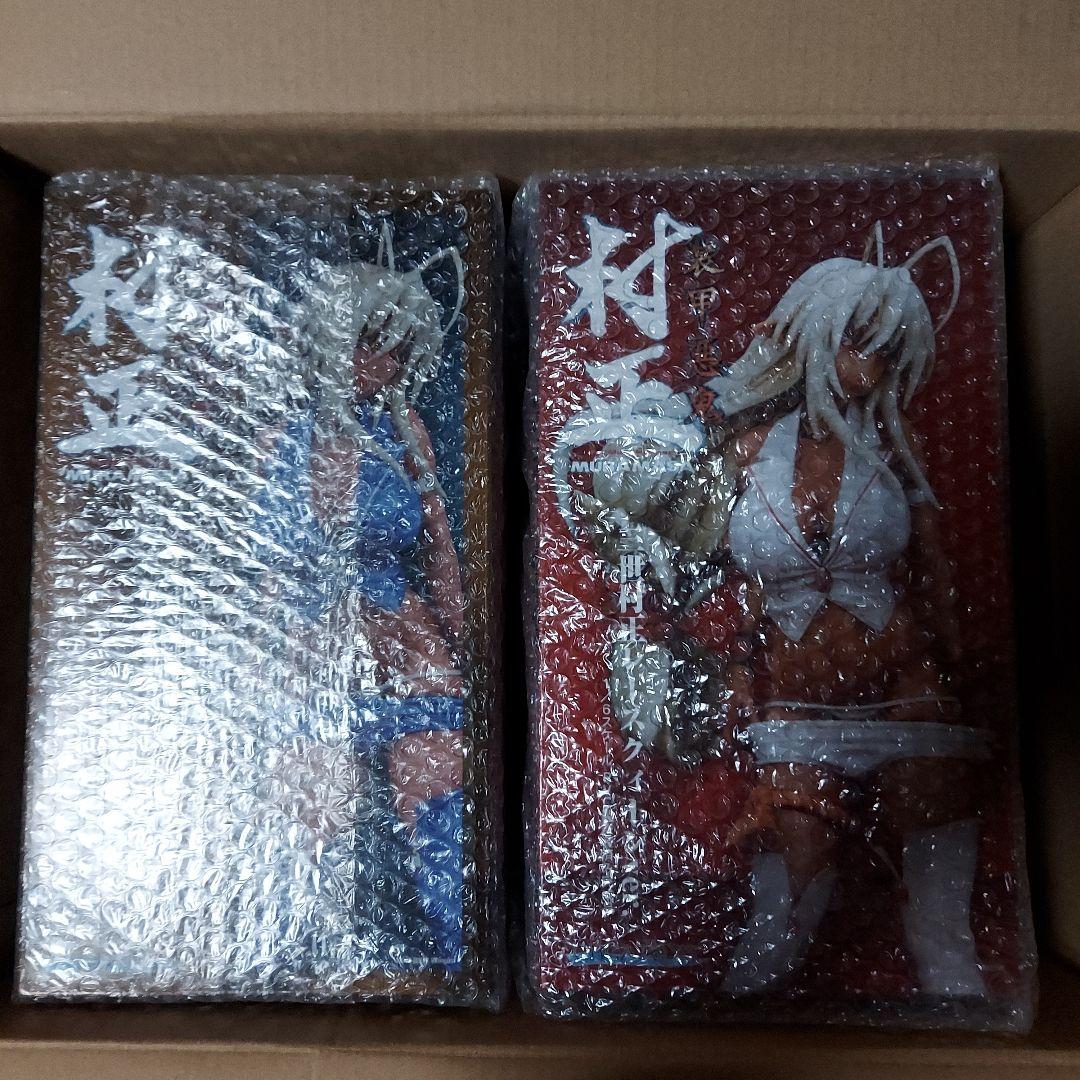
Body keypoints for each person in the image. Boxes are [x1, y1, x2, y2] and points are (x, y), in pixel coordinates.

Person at [682, 225, 993, 997]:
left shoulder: (891, 444)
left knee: (941, 919)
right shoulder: (746, 449)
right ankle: (741, 1029)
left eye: (888, 352)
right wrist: (730, 668)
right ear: (814, 335)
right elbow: (710, 578)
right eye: (860, 343)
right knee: (787, 898)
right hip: (796, 696)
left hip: (907, 685)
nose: (872, 369)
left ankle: (959, 1016)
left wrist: (966, 660)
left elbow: (933, 565)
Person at [257, 229, 468, 969]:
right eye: (371, 344)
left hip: (406, 635)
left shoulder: (406, 433)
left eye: (399, 350)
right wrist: (275, 661)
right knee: (320, 805)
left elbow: (439, 551)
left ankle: (449, 951)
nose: (386, 364)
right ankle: (308, 961)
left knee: (437, 781)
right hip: (312, 639)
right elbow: (269, 572)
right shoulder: (285, 438)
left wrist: (464, 646)